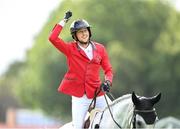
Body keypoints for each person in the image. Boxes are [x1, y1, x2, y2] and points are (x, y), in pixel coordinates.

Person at [49, 11, 113, 129]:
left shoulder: (100, 48)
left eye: (85, 31)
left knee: (115, 116)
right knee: (78, 126)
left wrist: (108, 81)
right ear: (75, 36)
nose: (84, 34)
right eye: (80, 32)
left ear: (89, 32)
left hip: (98, 93)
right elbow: (52, 38)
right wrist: (64, 21)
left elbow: (108, 69)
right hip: (80, 97)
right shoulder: (70, 49)